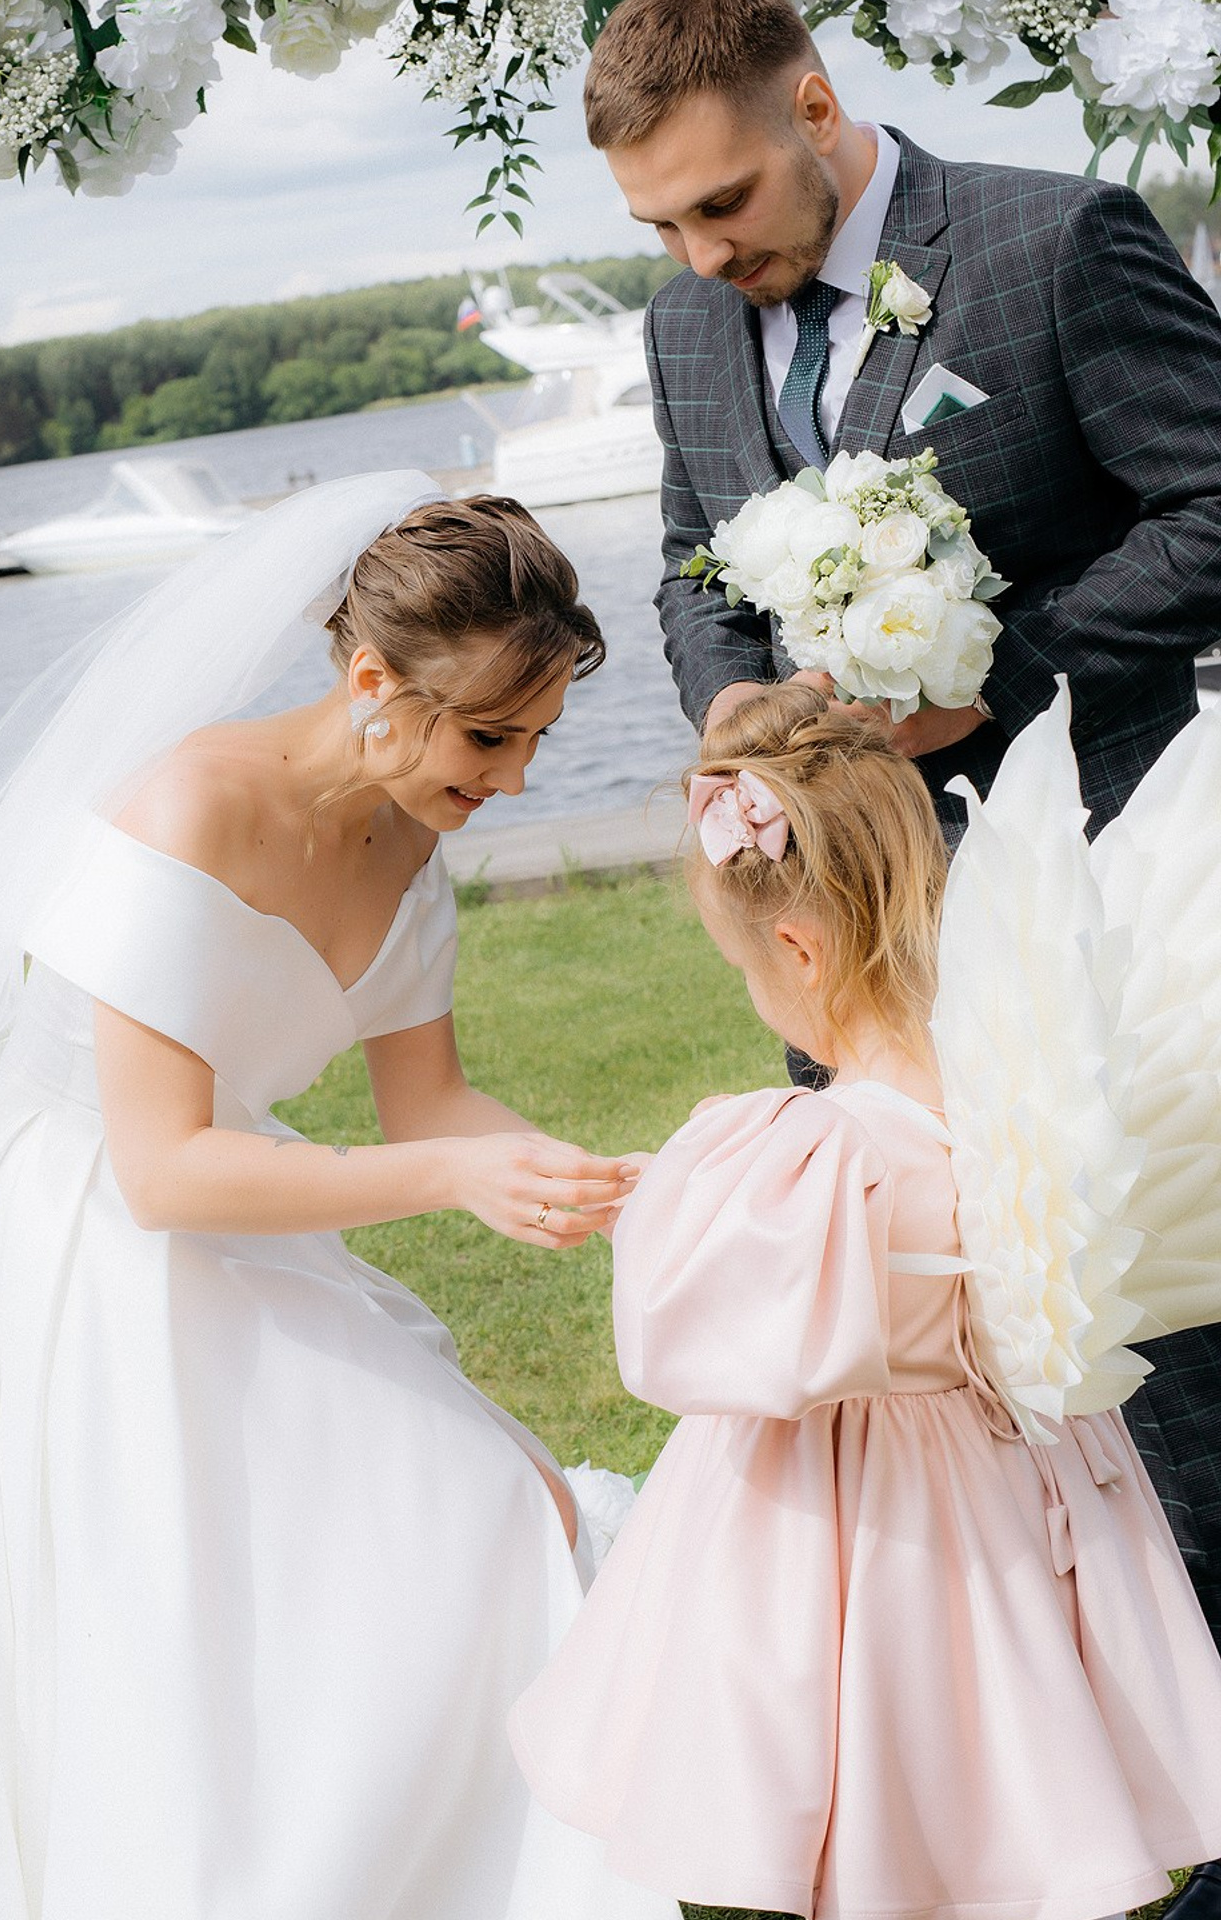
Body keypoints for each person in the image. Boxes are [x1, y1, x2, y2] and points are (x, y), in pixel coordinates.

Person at [0, 472, 681, 1920]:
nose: (516, 781)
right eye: (489, 736)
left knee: (475, 1506)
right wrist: (450, 1179)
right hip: (76, 1235)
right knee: (178, 1610)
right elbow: (158, 1171)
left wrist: (620, 1189)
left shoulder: (414, 836)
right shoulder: (188, 807)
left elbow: (432, 1107)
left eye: (537, 741)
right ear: (369, 680)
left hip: (241, 1195)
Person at [582, 1, 1221, 1808]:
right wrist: (733, 706)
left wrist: (994, 672)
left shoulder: (1050, 243)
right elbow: (694, 562)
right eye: (661, 226)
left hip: (1092, 898)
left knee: (1164, 1356)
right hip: (858, 959)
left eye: (722, 204)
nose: (702, 256)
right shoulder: (684, 324)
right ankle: (1062, 1782)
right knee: (952, 1378)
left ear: (814, 101)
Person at [509, 683, 1221, 1920]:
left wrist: (680, 1194)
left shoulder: (814, 1155)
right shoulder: (1023, 1109)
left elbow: (682, 1330)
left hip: (861, 1537)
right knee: (1012, 1763)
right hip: (1020, 1500)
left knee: (876, 1776)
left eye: (745, 968)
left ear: (797, 949)